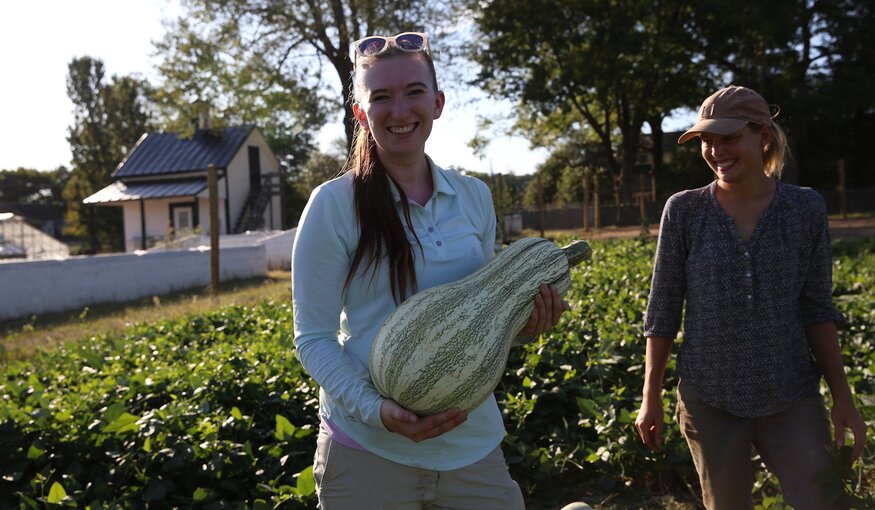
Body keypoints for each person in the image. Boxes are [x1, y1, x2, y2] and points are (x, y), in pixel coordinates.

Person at [291, 32, 567, 509]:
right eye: (381, 97)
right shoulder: (333, 205)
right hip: (367, 452)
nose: (400, 111)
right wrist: (377, 410)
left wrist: (523, 326)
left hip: (471, 444)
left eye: (414, 92)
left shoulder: (475, 196)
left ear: (437, 103)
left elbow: (486, 313)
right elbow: (312, 337)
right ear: (361, 112)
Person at [634, 85, 867, 509]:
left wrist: (842, 397)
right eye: (706, 139)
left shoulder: (804, 208)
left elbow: (817, 309)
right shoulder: (684, 210)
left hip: (791, 393)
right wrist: (650, 398)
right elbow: (663, 309)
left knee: (821, 501)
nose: (715, 150)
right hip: (710, 398)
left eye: (728, 137)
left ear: (763, 135)